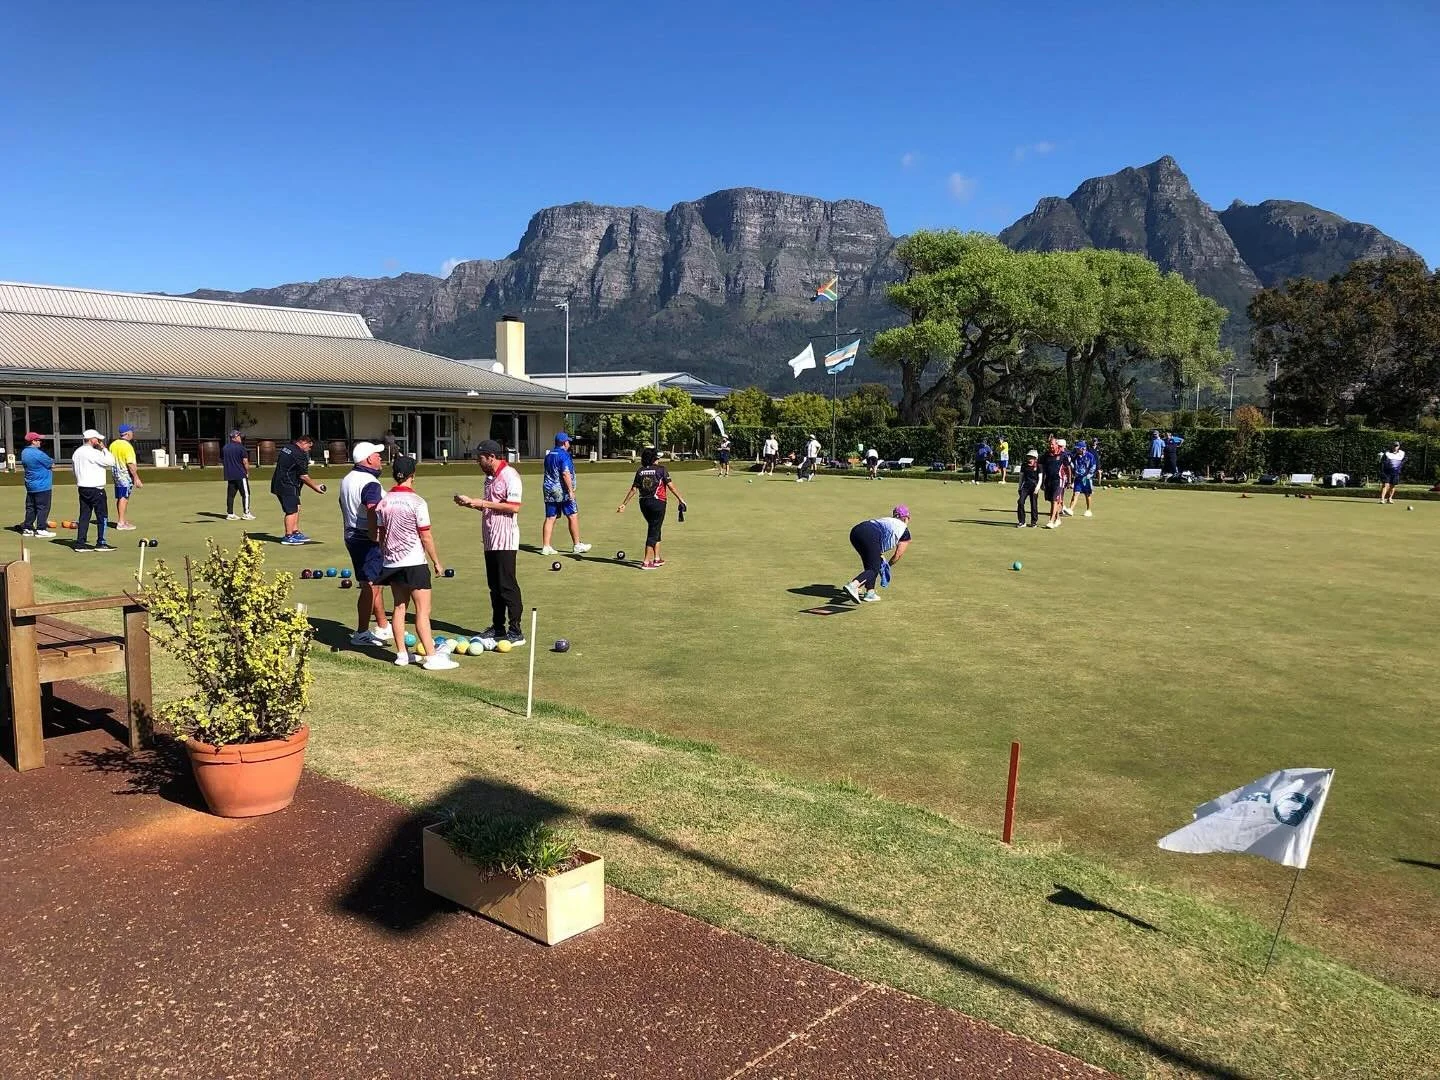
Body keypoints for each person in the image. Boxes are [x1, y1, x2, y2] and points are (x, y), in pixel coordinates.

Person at [376, 456, 456, 670]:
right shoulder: (418, 502)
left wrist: (387, 554)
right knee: (423, 611)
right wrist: (437, 562)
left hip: (392, 563)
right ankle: (431, 657)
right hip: (414, 563)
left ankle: (402, 654)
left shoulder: (383, 502)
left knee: (399, 607)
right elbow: (426, 536)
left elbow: (381, 535)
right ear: (413, 475)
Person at [454, 439, 525, 646]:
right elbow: (491, 506)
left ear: (491, 457)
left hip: (506, 539)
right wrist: (470, 503)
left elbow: (514, 507)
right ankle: (498, 627)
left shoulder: (510, 475)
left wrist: (481, 502)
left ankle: (516, 630)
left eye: (480, 458)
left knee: (507, 585)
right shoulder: (489, 477)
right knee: (494, 586)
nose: (478, 461)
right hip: (490, 538)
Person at [340, 441, 394, 647]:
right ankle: (362, 633)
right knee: (371, 586)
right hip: (365, 536)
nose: (380, 458)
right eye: (377, 455)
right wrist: (375, 534)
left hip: (351, 533)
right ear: (368, 459)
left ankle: (382, 625)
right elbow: (372, 508)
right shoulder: (370, 482)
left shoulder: (347, 478)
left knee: (372, 582)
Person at [617, 447, 686, 569]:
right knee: (653, 530)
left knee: (655, 527)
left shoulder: (640, 471)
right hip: (658, 503)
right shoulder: (661, 470)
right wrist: (680, 499)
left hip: (644, 504)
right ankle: (646, 562)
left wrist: (624, 504)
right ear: (654, 458)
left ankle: (657, 558)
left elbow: (634, 489)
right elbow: (671, 486)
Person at [841, 505, 911, 604]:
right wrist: (888, 565)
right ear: (907, 518)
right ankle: (854, 585)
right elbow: (898, 554)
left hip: (856, 531)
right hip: (870, 535)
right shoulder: (904, 531)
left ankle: (870, 592)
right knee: (874, 568)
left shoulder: (888, 521)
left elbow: (877, 542)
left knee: (872, 564)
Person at [540, 432, 591, 555]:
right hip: (562, 491)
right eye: (568, 441)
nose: (569, 443)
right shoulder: (564, 455)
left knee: (550, 517)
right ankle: (577, 545)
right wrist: (570, 491)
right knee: (572, 515)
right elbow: (565, 473)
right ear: (564, 442)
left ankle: (546, 546)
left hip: (549, 489)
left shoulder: (549, 455)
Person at [271, 435, 327, 544]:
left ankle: (295, 531)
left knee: (297, 507)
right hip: (287, 485)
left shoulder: (287, 447)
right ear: (304, 442)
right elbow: (303, 476)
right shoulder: (299, 455)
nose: (309, 449)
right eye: (309, 447)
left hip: (284, 483)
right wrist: (316, 487)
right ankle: (288, 536)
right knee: (291, 510)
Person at [71, 428, 115, 552]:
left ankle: (80, 543)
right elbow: (111, 461)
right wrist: (104, 449)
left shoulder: (77, 452)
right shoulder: (94, 453)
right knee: (102, 516)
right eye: (97, 439)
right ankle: (101, 543)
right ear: (92, 440)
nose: (99, 441)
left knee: (84, 516)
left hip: (83, 487)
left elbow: (74, 470)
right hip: (96, 488)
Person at [19, 433, 55, 538]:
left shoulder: (24, 452)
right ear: (33, 441)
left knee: (31, 507)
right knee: (43, 507)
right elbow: (51, 463)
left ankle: (28, 527)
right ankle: (41, 529)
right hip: (42, 485)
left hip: (31, 485)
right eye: (38, 440)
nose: (40, 442)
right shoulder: (38, 454)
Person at [108, 424, 142, 531]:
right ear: (127, 433)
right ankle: (121, 522)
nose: (133, 433)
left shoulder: (113, 444)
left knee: (121, 496)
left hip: (116, 474)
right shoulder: (127, 446)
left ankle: (122, 519)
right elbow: (131, 464)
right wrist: (136, 478)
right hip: (124, 475)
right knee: (124, 497)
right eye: (132, 431)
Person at [221, 430, 255, 520]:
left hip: (229, 474)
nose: (241, 438)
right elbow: (245, 462)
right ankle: (246, 513)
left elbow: (223, 460)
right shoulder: (241, 448)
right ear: (234, 437)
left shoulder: (225, 447)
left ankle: (230, 513)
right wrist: (247, 472)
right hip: (240, 474)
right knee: (246, 494)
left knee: (230, 495)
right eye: (239, 436)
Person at [1041, 439, 1071, 529]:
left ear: (1057, 445)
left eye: (1052, 444)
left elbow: (1068, 468)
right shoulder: (1046, 455)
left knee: (1055, 500)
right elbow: (1041, 467)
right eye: (1050, 444)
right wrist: (1042, 482)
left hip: (1059, 480)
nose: (1051, 446)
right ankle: (1057, 519)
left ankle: (1051, 521)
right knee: (1052, 501)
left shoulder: (1063, 455)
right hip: (1048, 481)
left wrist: (1069, 481)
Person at [1066, 439, 1098, 517]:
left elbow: (1093, 466)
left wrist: (1089, 475)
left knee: (1087, 494)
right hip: (1078, 478)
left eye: (1078, 448)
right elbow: (1073, 465)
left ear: (1083, 448)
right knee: (1075, 493)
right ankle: (1071, 509)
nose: (1077, 449)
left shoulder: (1090, 456)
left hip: (1086, 479)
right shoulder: (1075, 456)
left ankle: (1088, 510)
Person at [1016, 449, 1041, 527]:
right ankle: (1022, 521)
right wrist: (1019, 487)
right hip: (1025, 486)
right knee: (1020, 502)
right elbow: (1021, 477)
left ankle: (1034, 521)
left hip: (1034, 487)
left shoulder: (1039, 466)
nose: (1029, 458)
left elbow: (1040, 478)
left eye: (1031, 457)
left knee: (1033, 504)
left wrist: (1037, 488)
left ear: (1035, 458)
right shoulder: (1024, 465)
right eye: (1029, 457)